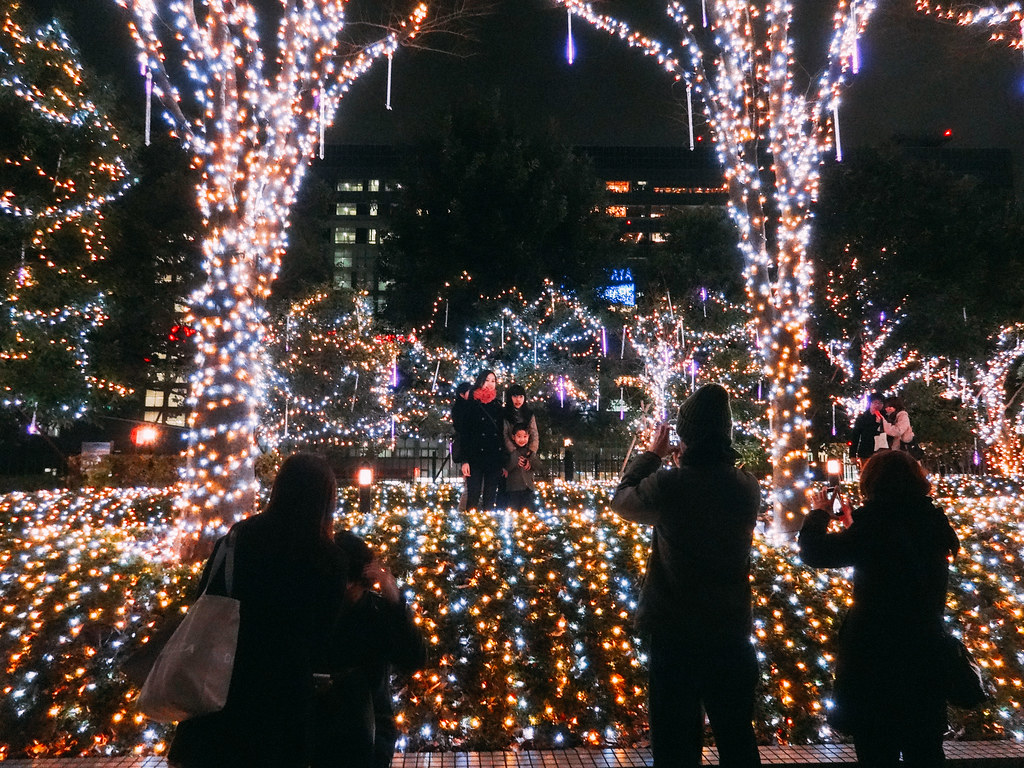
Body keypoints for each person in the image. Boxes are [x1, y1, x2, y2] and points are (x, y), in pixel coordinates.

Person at [610, 384, 762, 768]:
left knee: (676, 745)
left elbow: (622, 499)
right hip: (730, 630)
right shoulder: (745, 486)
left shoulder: (672, 485)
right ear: (726, 433)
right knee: (737, 740)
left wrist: (652, 455)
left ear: (685, 435)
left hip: (675, 633)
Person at [168, 454, 348, 768]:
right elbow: (325, 640)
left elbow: (205, 599)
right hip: (284, 701)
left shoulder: (237, 540)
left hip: (221, 692)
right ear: (325, 500)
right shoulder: (328, 559)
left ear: (279, 489)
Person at [799, 450, 959, 767]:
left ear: (871, 483)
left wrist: (818, 514)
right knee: (925, 750)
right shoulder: (932, 521)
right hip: (923, 653)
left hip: (874, 657)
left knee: (875, 749)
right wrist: (853, 523)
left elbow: (816, 552)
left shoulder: (874, 525)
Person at [312, 531, 427, 768]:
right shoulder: (316, 611)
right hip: (318, 727)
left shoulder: (377, 613)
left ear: (353, 581)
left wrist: (395, 601)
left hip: (370, 729)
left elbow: (414, 659)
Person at [460, 369, 506, 510]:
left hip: (493, 457)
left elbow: (501, 434)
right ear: (480, 382)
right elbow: (465, 433)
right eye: (487, 380)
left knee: (490, 496)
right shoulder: (471, 404)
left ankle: (488, 527)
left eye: (493, 381)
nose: (490, 384)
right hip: (475, 456)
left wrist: (503, 461)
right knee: (473, 495)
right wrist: (465, 460)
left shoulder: (497, 405)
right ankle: (471, 528)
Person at [504, 425, 537, 512]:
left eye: (525, 436)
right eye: (519, 436)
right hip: (514, 488)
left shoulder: (530, 452)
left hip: (528, 488)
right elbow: (507, 467)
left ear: (528, 437)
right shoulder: (511, 452)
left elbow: (538, 465)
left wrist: (530, 460)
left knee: (530, 511)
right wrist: (516, 460)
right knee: (513, 511)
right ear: (513, 437)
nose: (522, 439)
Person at [848, 393, 886, 468]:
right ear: (870, 404)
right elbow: (855, 436)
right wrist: (852, 454)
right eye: (875, 403)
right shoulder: (862, 418)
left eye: (880, 403)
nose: (877, 405)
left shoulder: (885, 417)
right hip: (866, 451)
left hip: (882, 452)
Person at [502, 383, 539, 455]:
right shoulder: (505, 414)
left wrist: (531, 452)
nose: (518, 399)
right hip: (509, 453)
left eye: (521, 396)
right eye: (515, 396)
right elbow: (505, 435)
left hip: (527, 451)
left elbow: (534, 434)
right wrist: (514, 453)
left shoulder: (529, 414)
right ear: (510, 397)